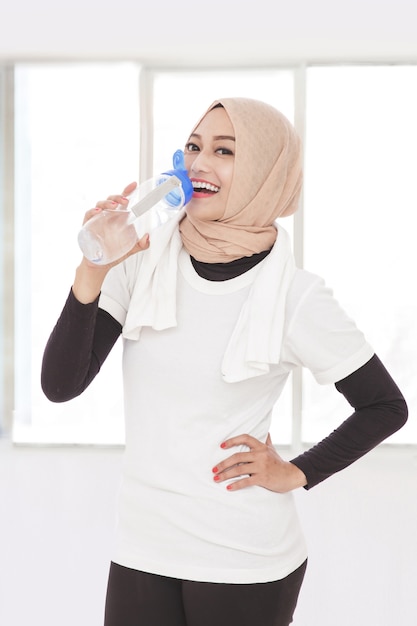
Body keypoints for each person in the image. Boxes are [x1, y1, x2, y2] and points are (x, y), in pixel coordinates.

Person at [41, 98, 407, 626]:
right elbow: (61, 384)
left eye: (224, 150)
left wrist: (297, 472)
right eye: (192, 146)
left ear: (265, 172)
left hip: (244, 556)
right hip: (144, 544)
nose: (198, 162)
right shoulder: (139, 257)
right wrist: (92, 268)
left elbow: (385, 405)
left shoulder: (295, 296)